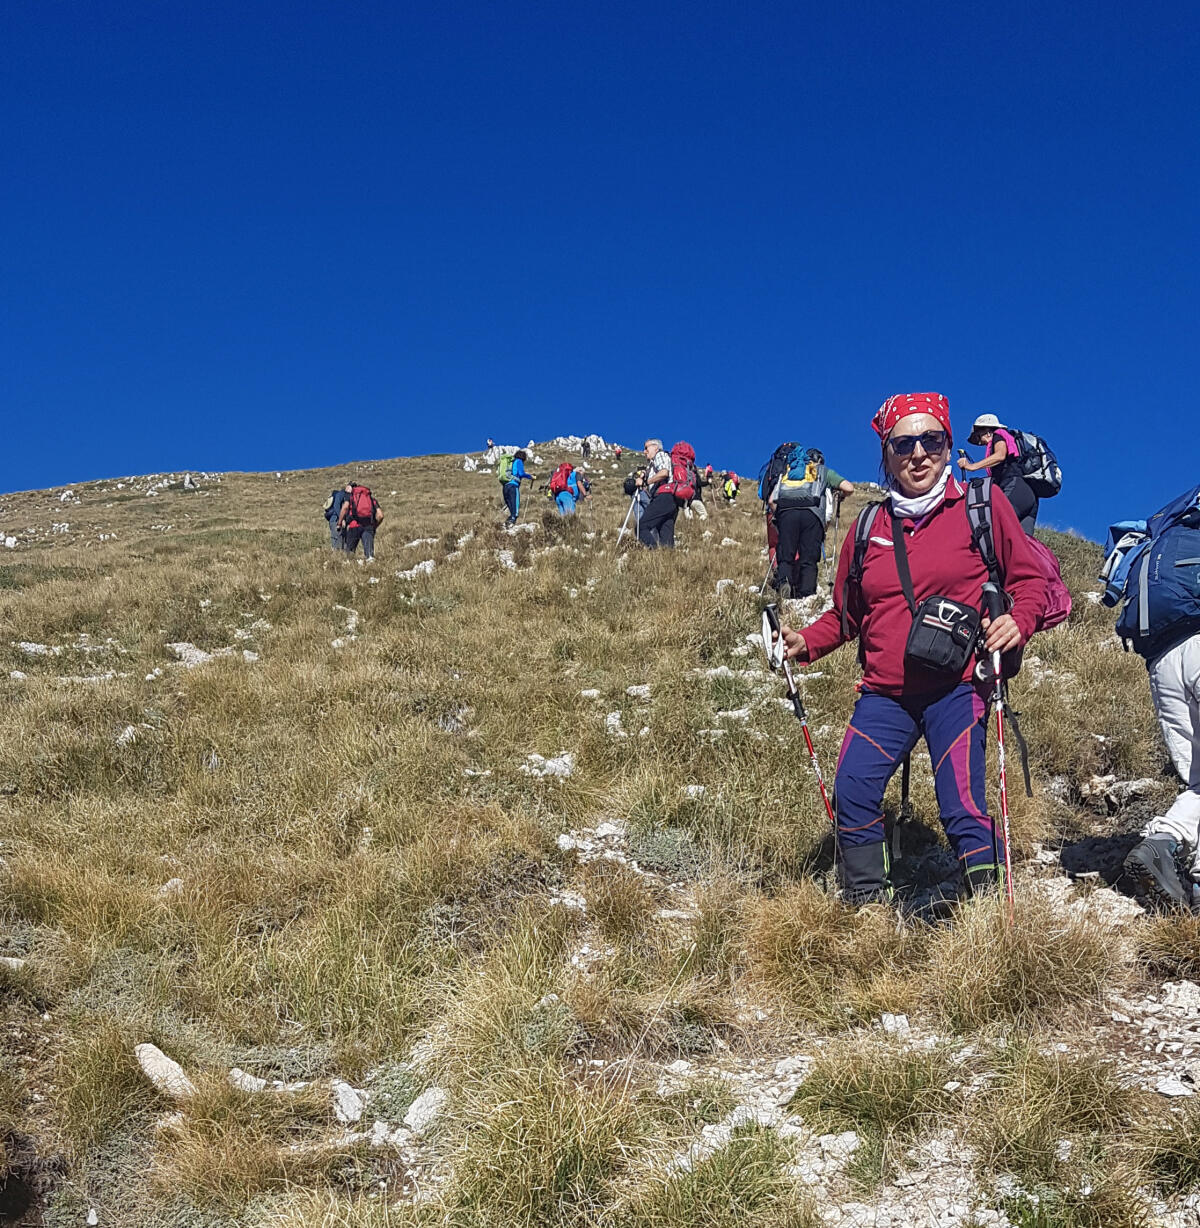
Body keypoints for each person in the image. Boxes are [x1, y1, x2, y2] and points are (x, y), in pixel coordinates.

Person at [778, 393, 1048, 904]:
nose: (918, 453)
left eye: (932, 440)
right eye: (904, 443)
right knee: (853, 792)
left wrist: (1019, 619)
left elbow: (1031, 580)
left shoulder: (981, 506)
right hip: (886, 694)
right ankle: (865, 911)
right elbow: (848, 615)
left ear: (948, 447)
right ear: (887, 454)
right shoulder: (867, 528)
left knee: (962, 807)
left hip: (959, 687)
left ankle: (992, 919)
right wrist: (804, 642)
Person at [768, 451, 854, 598]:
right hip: (812, 515)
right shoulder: (823, 471)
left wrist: (781, 516)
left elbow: (771, 501)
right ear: (820, 460)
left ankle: (784, 586)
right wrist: (840, 495)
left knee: (785, 555)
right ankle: (806, 594)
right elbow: (849, 488)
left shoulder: (789, 471)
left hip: (787, 514)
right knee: (809, 557)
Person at [960, 414, 1039, 534]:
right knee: (1024, 545)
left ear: (987, 432)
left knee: (993, 527)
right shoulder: (1009, 441)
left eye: (978, 436)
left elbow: (1000, 455)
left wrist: (972, 466)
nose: (979, 442)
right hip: (1028, 496)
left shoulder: (998, 435)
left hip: (1015, 489)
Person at [637, 439, 678, 548]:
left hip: (663, 497)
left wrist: (645, 482)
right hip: (671, 501)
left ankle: (653, 552)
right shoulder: (653, 463)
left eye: (646, 448)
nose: (644, 451)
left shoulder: (659, 455)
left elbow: (664, 473)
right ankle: (667, 560)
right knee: (666, 539)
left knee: (641, 527)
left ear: (656, 447)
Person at [338, 481, 383, 561]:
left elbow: (345, 508)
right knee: (370, 556)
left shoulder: (350, 496)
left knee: (349, 554)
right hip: (368, 525)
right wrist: (374, 526)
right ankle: (372, 570)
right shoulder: (370, 498)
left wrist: (339, 523)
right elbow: (380, 515)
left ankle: (349, 569)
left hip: (354, 525)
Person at [503, 450, 533, 526]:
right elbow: (521, 473)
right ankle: (511, 526)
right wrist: (530, 476)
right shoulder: (518, 461)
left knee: (511, 509)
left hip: (505, 487)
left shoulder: (511, 463)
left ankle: (506, 525)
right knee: (515, 511)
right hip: (513, 486)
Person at [323, 483, 351, 551]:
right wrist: (341, 520)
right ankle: (337, 557)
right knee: (337, 541)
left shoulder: (344, 495)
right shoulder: (341, 494)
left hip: (336, 520)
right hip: (336, 520)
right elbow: (336, 506)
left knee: (342, 541)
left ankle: (340, 557)